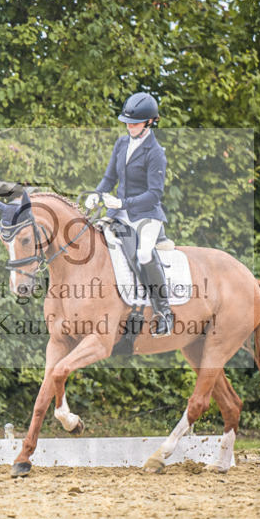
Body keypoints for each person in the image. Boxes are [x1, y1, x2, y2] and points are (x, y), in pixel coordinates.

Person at [85, 92, 174, 337]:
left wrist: (122, 201)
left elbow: (154, 194)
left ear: (149, 122)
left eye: (134, 123)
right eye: (127, 122)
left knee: (144, 254)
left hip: (146, 214)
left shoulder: (156, 152)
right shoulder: (122, 143)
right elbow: (109, 178)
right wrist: (96, 194)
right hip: (120, 212)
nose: (129, 126)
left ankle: (163, 311)